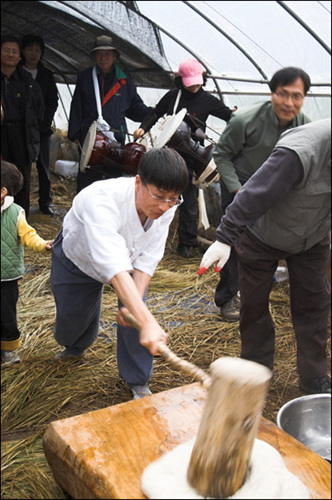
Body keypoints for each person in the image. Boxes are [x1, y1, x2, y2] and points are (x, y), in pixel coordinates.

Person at [198, 119, 331, 395]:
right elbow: (253, 195)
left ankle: (313, 376)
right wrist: (225, 238)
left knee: (314, 303)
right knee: (254, 306)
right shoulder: (300, 152)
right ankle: (256, 374)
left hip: (313, 238)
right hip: (263, 237)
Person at [50, 147, 189, 399]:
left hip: (129, 260)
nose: (165, 206)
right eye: (158, 196)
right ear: (138, 182)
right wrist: (147, 321)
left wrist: (136, 311)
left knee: (137, 312)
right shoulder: (100, 199)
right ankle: (75, 344)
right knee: (71, 323)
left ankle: (138, 381)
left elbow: (149, 256)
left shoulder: (167, 206)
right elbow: (113, 263)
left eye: (173, 198)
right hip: (78, 258)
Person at [213, 67, 311, 321]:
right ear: (272, 93)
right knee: (233, 240)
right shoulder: (244, 120)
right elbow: (221, 155)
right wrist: (238, 191)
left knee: (268, 236)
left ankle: (262, 284)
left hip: (275, 189)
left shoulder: (307, 128)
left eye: (297, 96)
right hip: (240, 183)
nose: (289, 103)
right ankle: (227, 298)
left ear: (304, 98)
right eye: (283, 94)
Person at [134, 58, 234, 259]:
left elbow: (228, 116)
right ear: (180, 80)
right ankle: (146, 239)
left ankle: (186, 243)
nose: (195, 86)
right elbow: (156, 113)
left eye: (197, 81)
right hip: (168, 157)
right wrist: (143, 128)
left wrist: (238, 117)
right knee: (158, 196)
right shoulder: (173, 96)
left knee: (188, 201)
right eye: (190, 82)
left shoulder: (207, 99)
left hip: (193, 158)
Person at [68, 35, 152, 193]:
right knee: (87, 181)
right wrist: (75, 134)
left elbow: (134, 107)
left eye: (107, 54)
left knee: (113, 182)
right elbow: (76, 106)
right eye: (99, 54)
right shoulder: (85, 77)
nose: (103, 57)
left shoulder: (125, 81)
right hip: (90, 138)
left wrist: (153, 114)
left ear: (114, 56)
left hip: (116, 140)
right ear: (94, 56)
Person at [1, 160, 54, 365]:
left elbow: (28, 236)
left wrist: (42, 245)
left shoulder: (16, 213)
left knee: (7, 314)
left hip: (7, 276)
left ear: (2, 191)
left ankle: (9, 350)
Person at [1, 34, 44, 217]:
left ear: (20, 56)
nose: (11, 55)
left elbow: (39, 109)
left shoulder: (27, 82)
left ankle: (19, 221)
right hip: (1, 133)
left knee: (21, 180)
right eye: (6, 51)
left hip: (21, 135)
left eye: (14, 52)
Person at [20, 34, 59, 216]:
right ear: (23, 51)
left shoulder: (46, 75)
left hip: (41, 129)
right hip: (20, 129)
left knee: (43, 167)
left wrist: (45, 122)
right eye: (30, 49)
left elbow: (53, 101)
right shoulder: (17, 72)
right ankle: (21, 204)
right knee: (22, 167)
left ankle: (45, 203)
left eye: (37, 50)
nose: (33, 53)